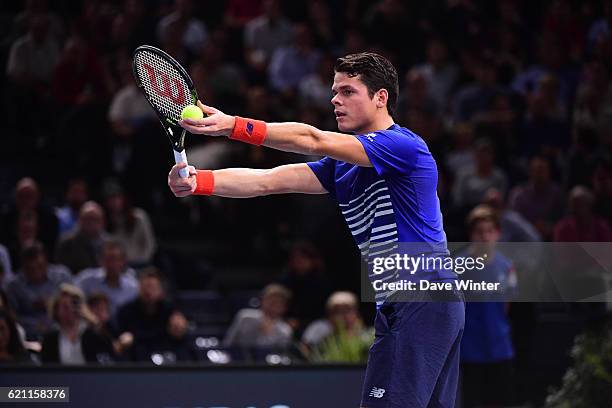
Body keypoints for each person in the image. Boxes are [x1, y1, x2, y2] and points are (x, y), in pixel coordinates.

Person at [168, 52, 464, 408]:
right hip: (401, 305)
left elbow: (312, 139)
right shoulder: (340, 168)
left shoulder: (404, 146)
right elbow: (267, 181)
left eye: (348, 91)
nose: (335, 99)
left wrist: (233, 125)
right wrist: (199, 181)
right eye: (334, 91)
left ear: (380, 97)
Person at [459, 205, 517, 408]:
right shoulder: (459, 266)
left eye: (489, 231)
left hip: (500, 348)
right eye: (479, 232)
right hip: (469, 349)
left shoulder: (506, 266)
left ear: (497, 234)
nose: (484, 237)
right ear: (471, 234)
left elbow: (507, 306)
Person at [6, 242, 72, 337]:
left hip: (63, 331)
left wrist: (53, 304)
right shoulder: (14, 286)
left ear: (46, 261)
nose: (36, 272)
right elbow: (11, 317)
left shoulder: (62, 277)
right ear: (23, 267)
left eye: (40, 266)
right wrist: (35, 325)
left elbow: (75, 304)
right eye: (30, 269)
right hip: (29, 335)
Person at [41, 284, 114, 364]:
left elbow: (108, 356)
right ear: (56, 310)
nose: (69, 309)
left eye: (73, 305)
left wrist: (93, 321)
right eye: (65, 306)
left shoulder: (92, 334)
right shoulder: (50, 338)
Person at [74, 240, 139, 318]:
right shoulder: (86, 280)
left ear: (123, 261)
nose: (112, 264)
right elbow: (74, 300)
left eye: (116, 259)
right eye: (108, 259)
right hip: (91, 325)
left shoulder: (133, 287)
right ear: (101, 261)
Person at [223, 283, 293, 349]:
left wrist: (267, 335)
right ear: (262, 301)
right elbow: (228, 343)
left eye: (275, 303)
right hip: (238, 359)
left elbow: (277, 355)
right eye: (268, 300)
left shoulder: (285, 330)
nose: (270, 306)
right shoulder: (245, 316)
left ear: (284, 308)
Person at [55, 201, 108, 274]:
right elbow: (63, 272)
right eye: (87, 219)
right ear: (79, 220)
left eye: (95, 219)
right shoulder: (67, 244)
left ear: (102, 222)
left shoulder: (109, 244)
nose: (91, 222)